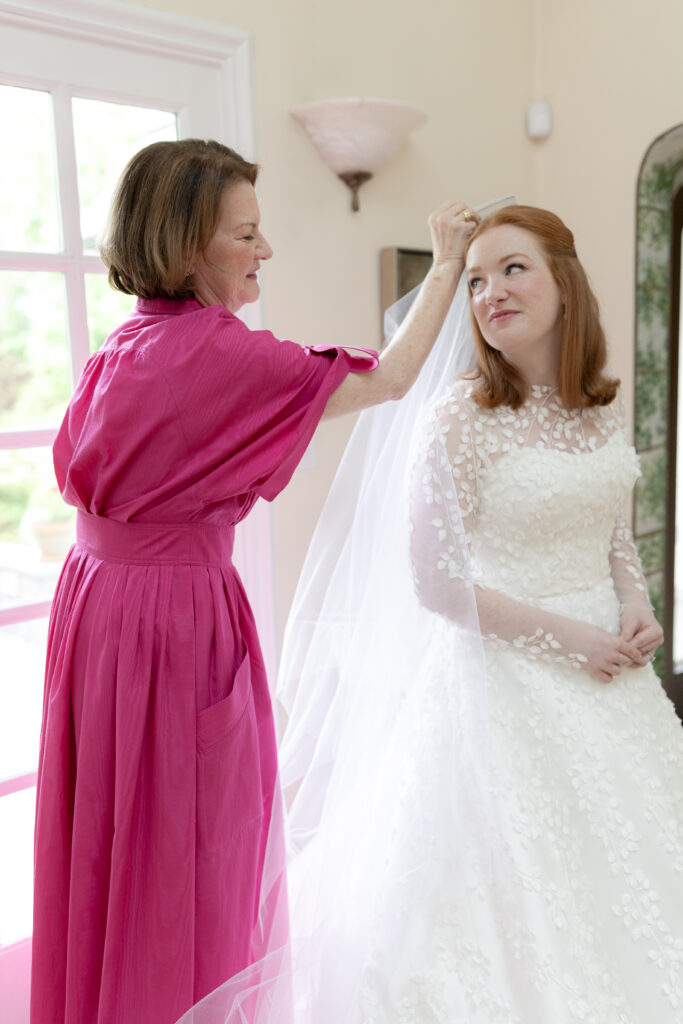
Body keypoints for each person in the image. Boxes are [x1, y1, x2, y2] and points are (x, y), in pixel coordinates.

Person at [29, 136, 479, 1024]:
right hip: (166, 624)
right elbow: (389, 377)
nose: (264, 251)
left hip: (95, 613)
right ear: (191, 243)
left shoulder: (122, 347)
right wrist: (450, 262)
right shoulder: (222, 356)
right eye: (247, 234)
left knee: (109, 838)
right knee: (188, 846)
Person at [198, 202, 682, 1024]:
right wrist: (575, 641)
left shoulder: (598, 405)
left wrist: (638, 608)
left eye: (512, 268)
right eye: (476, 278)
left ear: (563, 280)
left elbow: (613, 534)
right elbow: (437, 583)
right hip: (503, 690)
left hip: (615, 684)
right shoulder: (459, 414)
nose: (490, 291)